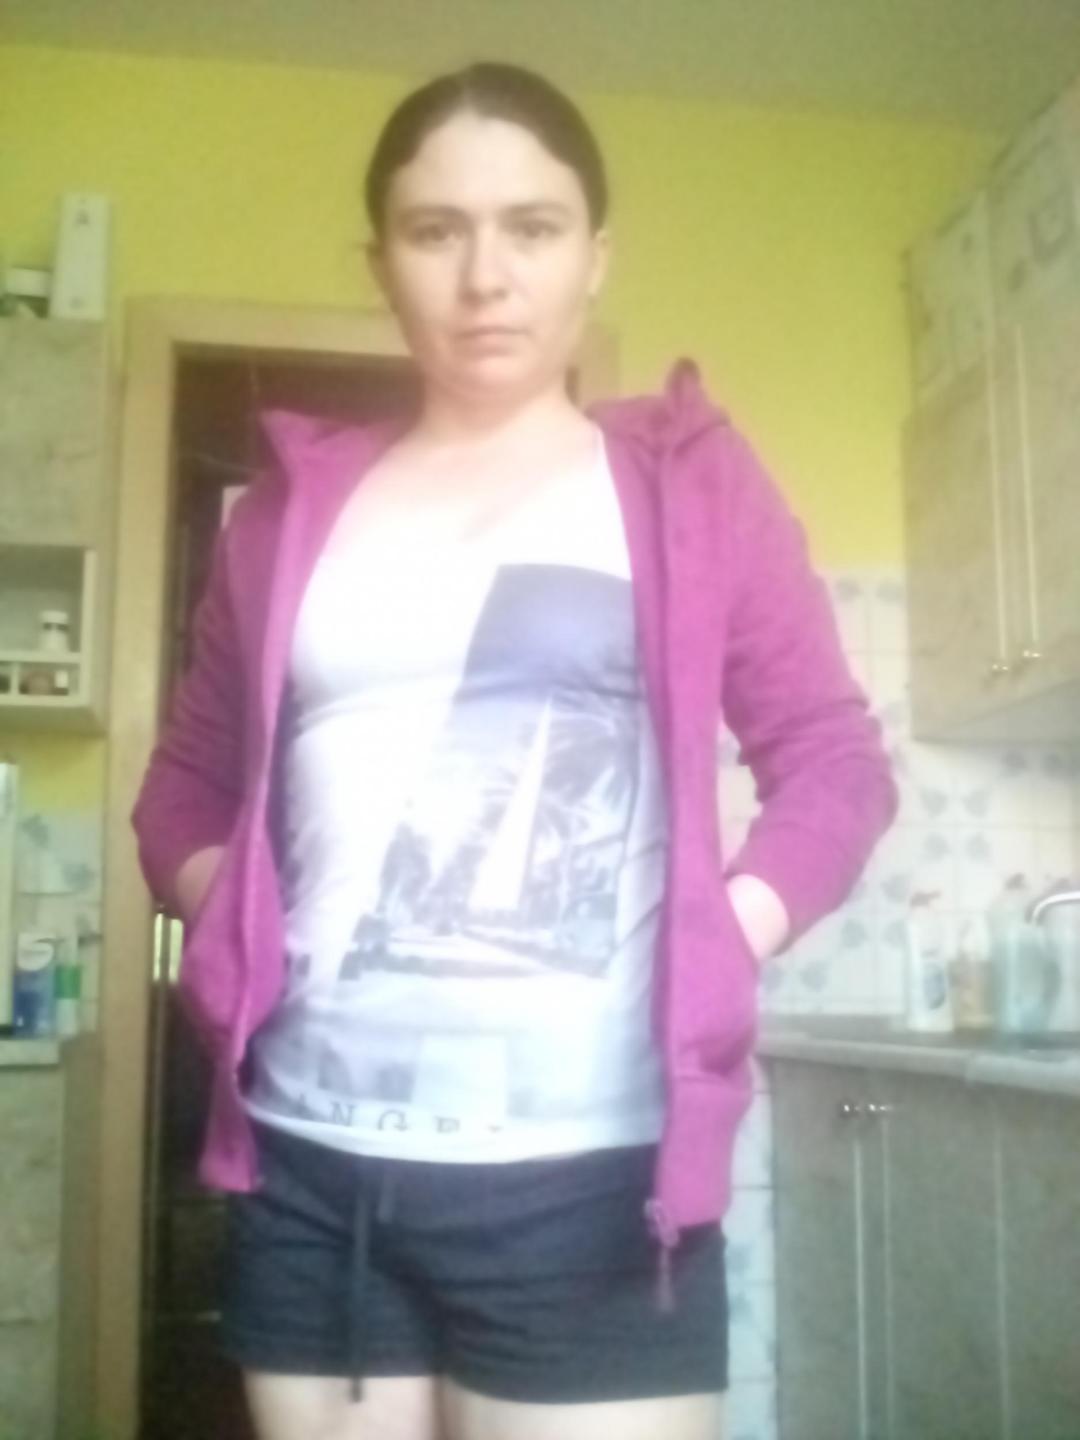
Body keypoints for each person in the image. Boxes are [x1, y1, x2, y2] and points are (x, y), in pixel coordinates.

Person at [133, 60, 898, 1440]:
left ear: (595, 255)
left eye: (532, 228)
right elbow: (179, 792)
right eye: (437, 231)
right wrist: (236, 915)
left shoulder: (688, 489)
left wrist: (726, 925)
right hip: (313, 1177)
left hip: (596, 1188)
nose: (486, 276)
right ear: (382, 263)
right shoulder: (282, 519)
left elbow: (836, 760)